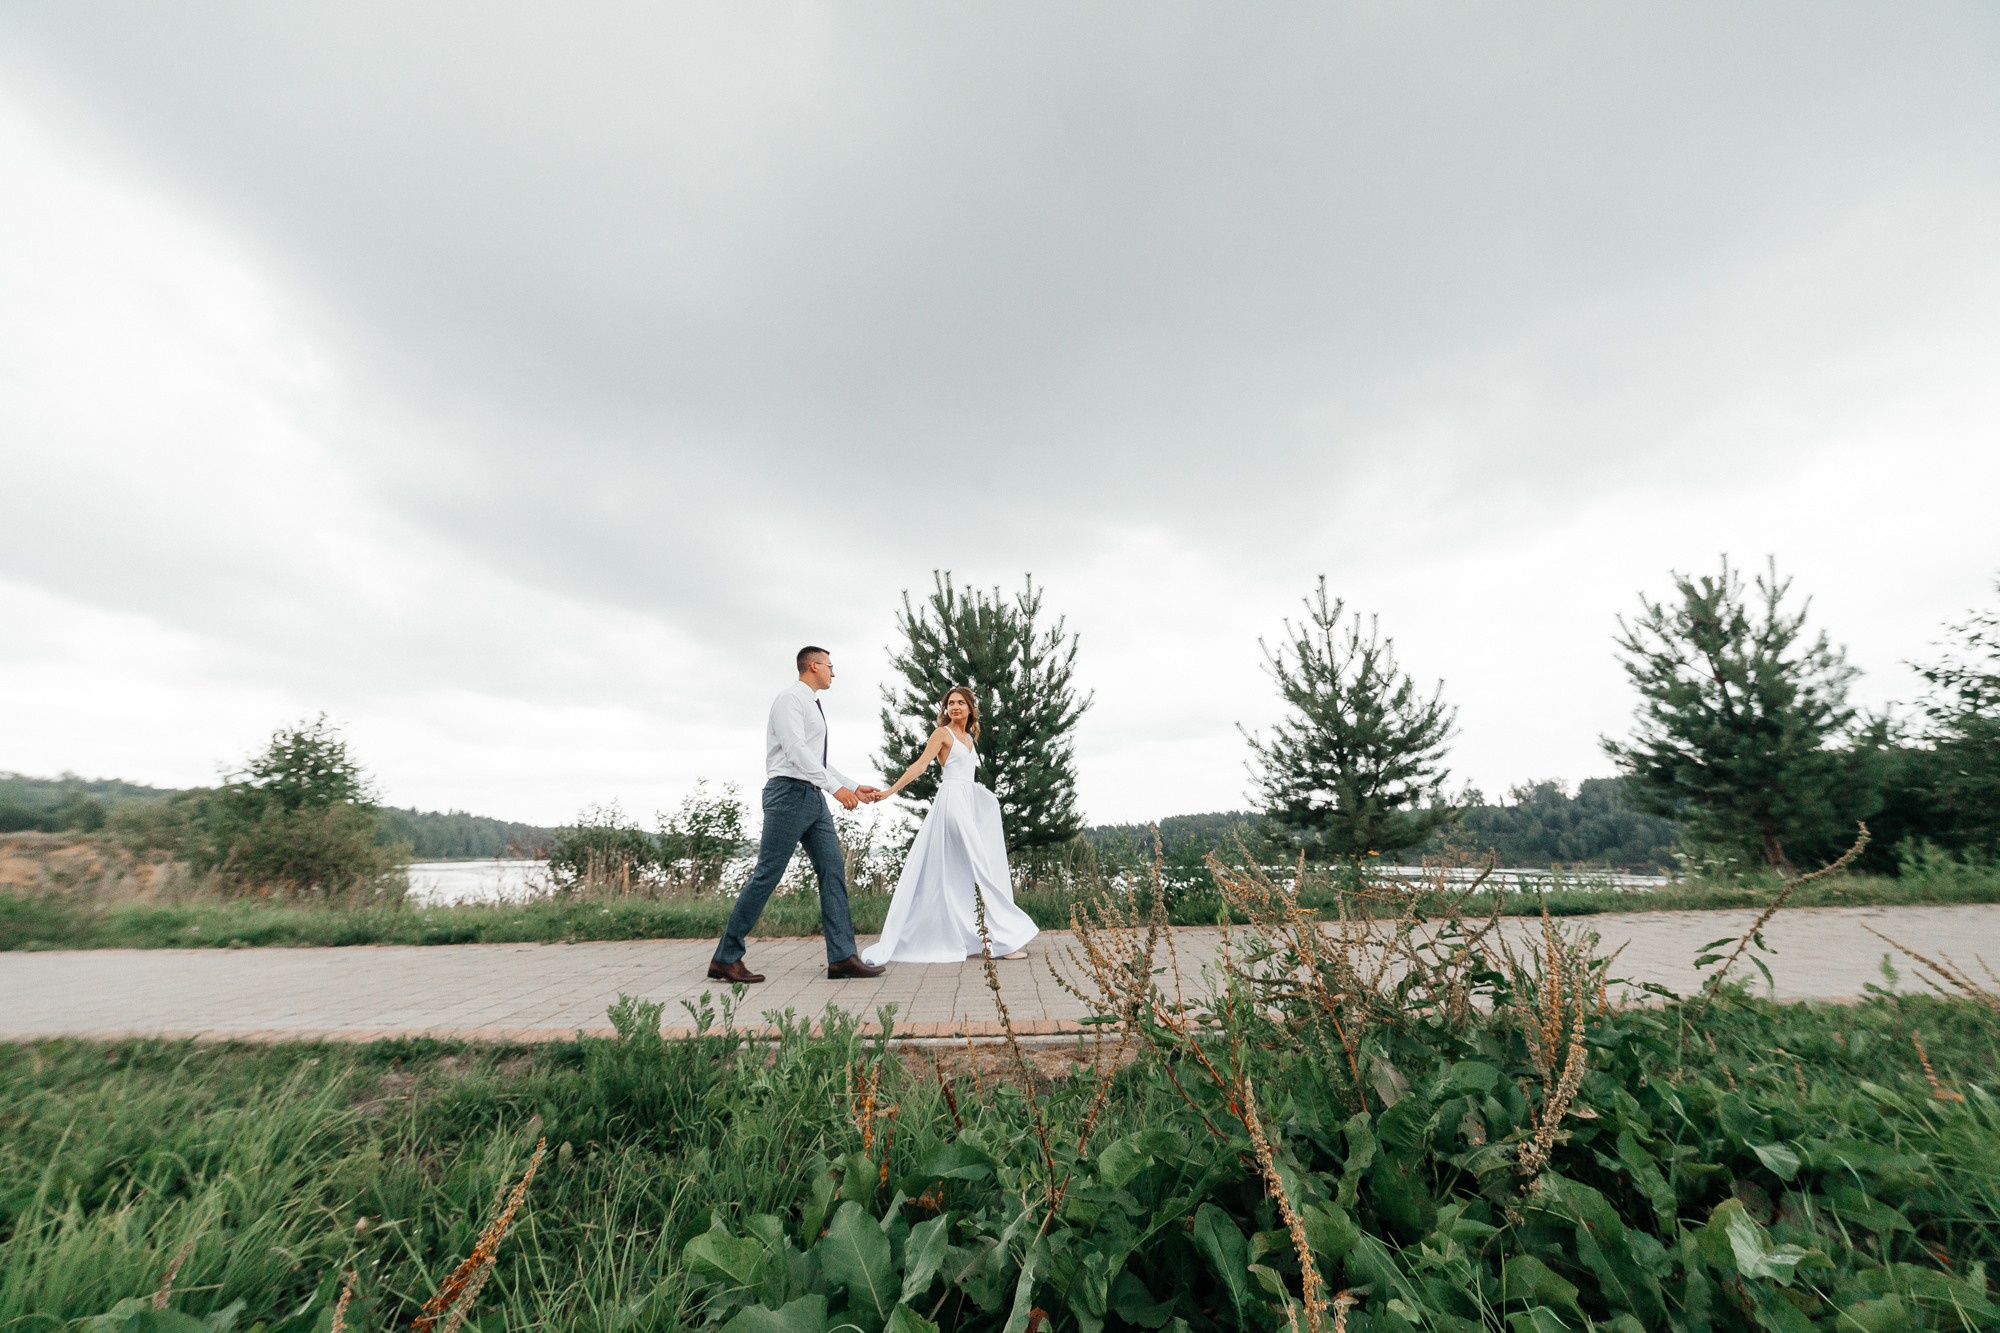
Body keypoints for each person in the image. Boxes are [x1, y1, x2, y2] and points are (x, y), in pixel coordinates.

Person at [708, 646, 889, 983]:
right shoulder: (790, 699)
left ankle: (842, 958)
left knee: (833, 870)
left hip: (812, 796)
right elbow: (794, 751)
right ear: (813, 665)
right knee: (767, 874)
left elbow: (815, 758)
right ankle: (726, 957)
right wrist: (836, 790)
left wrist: (852, 785)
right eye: (830, 667)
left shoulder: (811, 704)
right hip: (788, 795)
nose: (833, 673)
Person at [861, 686, 1038, 965]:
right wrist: (889, 791)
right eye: (950, 703)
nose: (954, 707)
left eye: (960, 703)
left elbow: (967, 777)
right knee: (979, 866)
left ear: (970, 708)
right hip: (952, 803)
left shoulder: (969, 737)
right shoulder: (942, 734)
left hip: (967, 801)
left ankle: (976, 936)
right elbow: (920, 765)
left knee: (964, 871)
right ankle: (1001, 942)